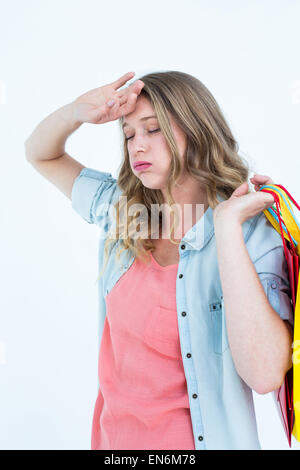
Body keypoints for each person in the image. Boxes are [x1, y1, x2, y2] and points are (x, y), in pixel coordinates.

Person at [25, 71, 294, 450]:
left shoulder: (251, 234)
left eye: (153, 129)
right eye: (130, 133)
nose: (138, 146)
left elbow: (265, 374)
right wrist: (77, 112)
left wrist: (228, 228)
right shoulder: (122, 213)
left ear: (198, 132)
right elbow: (40, 152)